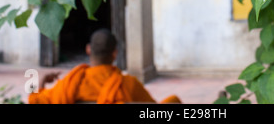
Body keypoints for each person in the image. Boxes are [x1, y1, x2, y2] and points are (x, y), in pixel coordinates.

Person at [28, 28, 181, 104]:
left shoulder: (71, 83)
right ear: (114, 53)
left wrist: (41, 82)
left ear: (88, 49)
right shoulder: (129, 85)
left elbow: (34, 100)